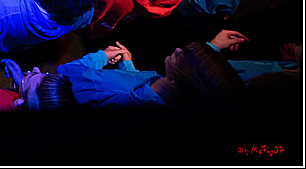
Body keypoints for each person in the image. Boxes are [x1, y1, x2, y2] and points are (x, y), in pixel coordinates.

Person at [56, 37, 244, 107]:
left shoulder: (112, 90)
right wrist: (128, 66)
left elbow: (65, 74)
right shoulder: (167, 91)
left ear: (176, 83)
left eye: (182, 57)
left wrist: (102, 57)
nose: (178, 50)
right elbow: (141, 86)